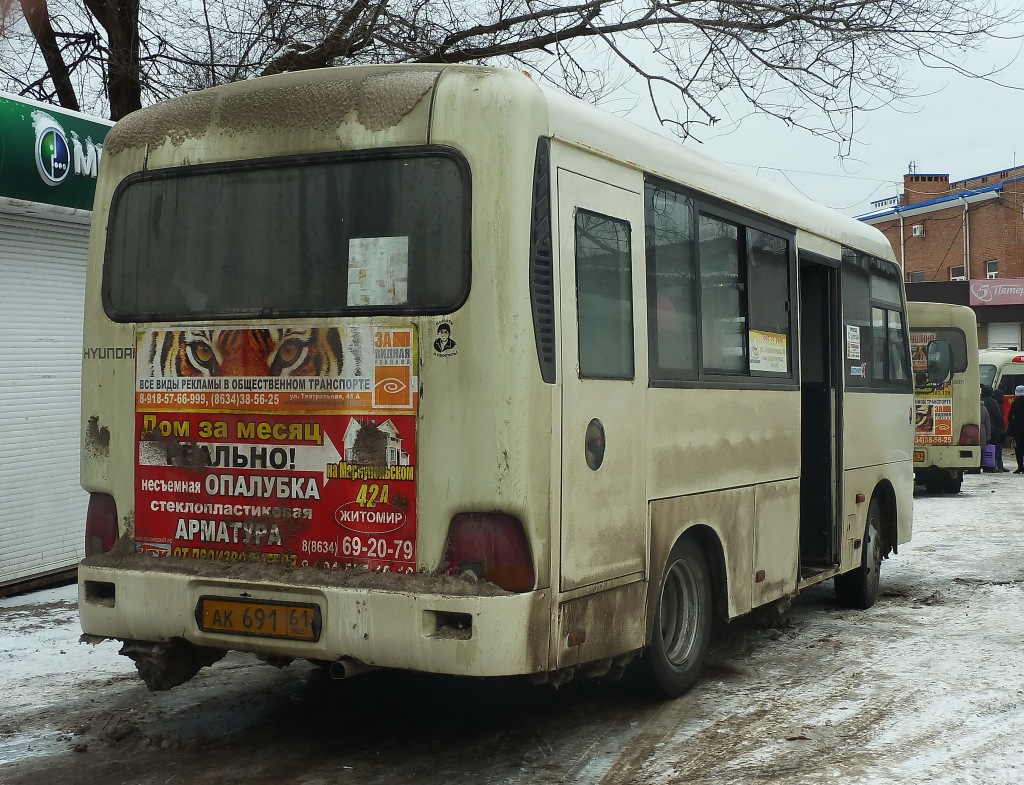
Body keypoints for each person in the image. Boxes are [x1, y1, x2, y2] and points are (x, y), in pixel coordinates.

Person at [982, 385, 1009, 471]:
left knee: (982, 447)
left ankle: (982, 464)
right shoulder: (993, 402)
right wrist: (1002, 427)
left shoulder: (979, 401)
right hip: (992, 428)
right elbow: (998, 416)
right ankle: (991, 465)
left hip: (980, 428)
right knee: (993, 447)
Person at [1007, 385, 1024, 473]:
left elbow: (1010, 417)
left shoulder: (1015, 403)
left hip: (1018, 430)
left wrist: (1011, 428)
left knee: (1019, 449)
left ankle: (1020, 467)